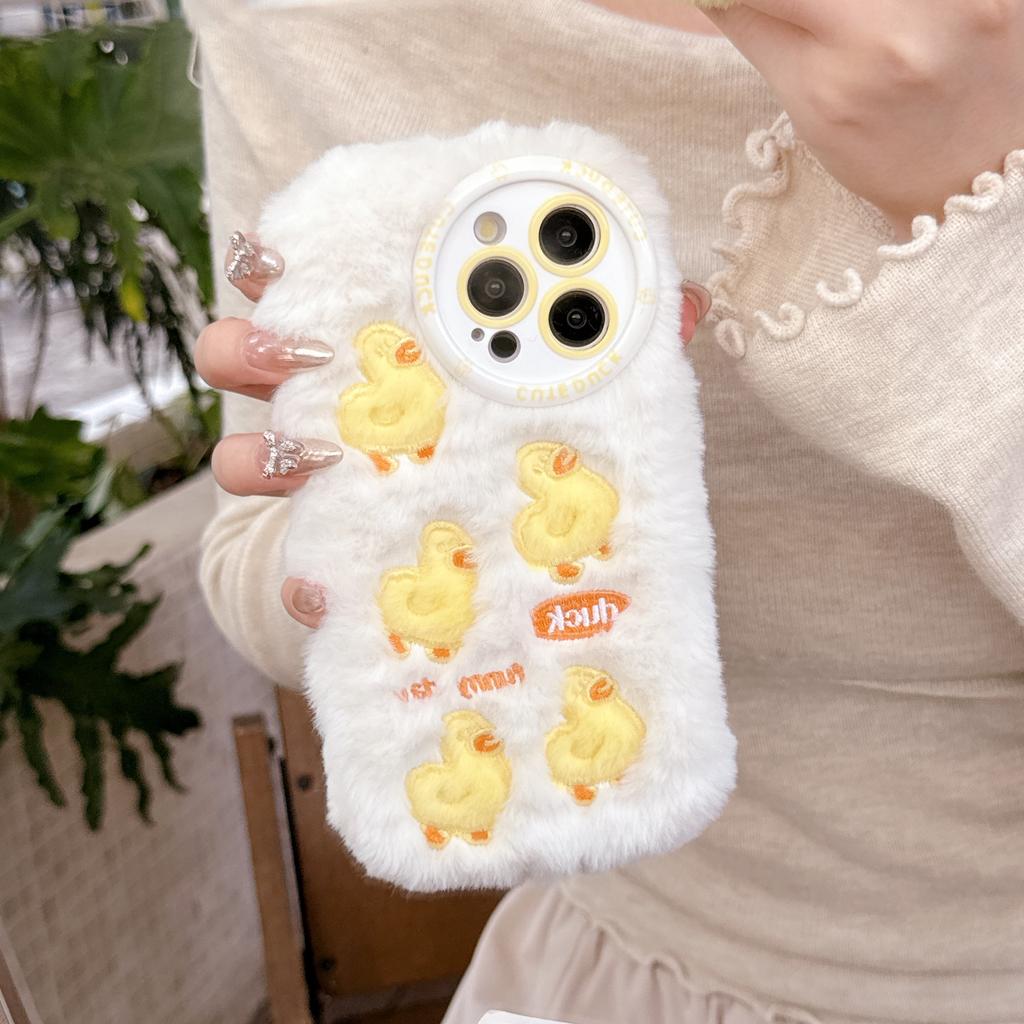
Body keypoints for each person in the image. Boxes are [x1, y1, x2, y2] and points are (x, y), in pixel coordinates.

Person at [185, 1, 1024, 1021]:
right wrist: (389, 571)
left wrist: (988, 222)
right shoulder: (297, 24)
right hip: (625, 965)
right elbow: (251, 550)